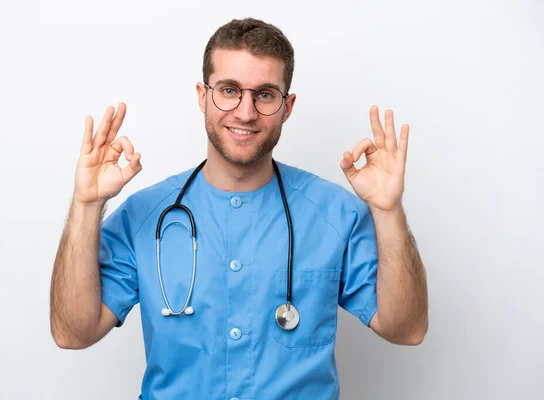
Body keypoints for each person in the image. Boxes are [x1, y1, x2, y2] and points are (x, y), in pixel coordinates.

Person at [50, 17, 428, 400]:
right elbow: (72, 333)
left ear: (287, 105)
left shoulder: (336, 214)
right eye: (229, 90)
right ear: (202, 95)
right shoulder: (145, 216)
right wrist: (87, 204)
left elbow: (405, 329)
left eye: (265, 94)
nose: (245, 112)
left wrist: (388, 211)